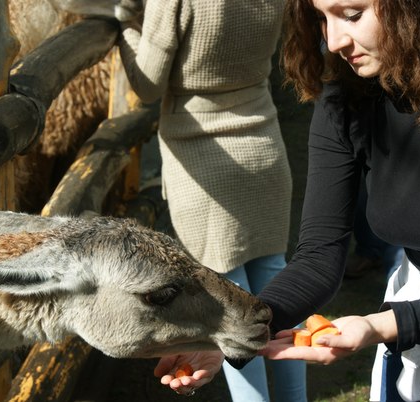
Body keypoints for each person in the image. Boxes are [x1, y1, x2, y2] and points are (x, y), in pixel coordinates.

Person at [155, 0, 420, 400]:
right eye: (320, 19)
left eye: (352, 14)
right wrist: (233, 335)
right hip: (409, 335)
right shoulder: (347, 101)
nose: (333, 40)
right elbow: (318, 259)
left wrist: (379, 327)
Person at [114, 1, 308, 401]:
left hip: (201, 158)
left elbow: (147, 84)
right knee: (276, 281)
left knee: (227, 307)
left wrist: (124, 25)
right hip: (262, 141)